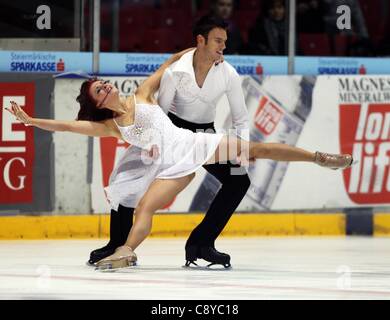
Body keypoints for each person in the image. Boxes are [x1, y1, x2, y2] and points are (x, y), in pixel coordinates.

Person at [6, 50, 353, 271]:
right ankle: (126, 251)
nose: (106, 87)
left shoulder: (142, 95)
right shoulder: (111, 127)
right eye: (99, 90)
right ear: (96, 103)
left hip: (194, 144)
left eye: (104, 83)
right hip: (170, 167)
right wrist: (32, 121)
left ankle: (319, 157)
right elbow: (68, 124)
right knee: (144, 208)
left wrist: (200, 50)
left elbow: (168, 64)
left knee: (255, 148)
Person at [157, 15, 250, 268]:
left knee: (239, 180)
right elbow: (161, 114)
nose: (223, 47)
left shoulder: (228, 73)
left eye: (225, 42)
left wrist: (242, 150)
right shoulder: (176, 71)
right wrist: (158, 150)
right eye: (218, 41)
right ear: (201, 40)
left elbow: (241, 119)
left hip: (206, 135)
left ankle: (202, 243)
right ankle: (116, 244)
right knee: (137, 179)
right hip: (175, 132)